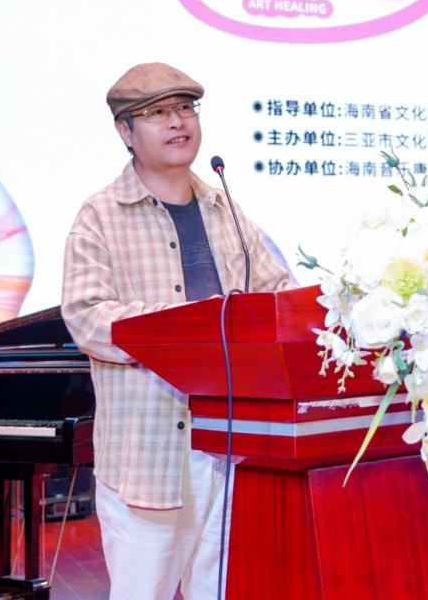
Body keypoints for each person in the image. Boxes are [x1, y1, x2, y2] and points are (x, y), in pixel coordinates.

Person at [61, 62, 294, 600]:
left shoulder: (223, 208)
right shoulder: (100, 215)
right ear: (125, 131)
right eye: (157, 112)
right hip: (149, 454)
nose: (177, 122)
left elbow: (280, 294)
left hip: (231, 446)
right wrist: (184, 327)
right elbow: (86, 317)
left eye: (185, 108)